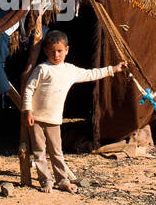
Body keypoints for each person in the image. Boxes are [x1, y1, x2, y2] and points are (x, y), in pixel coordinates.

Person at [22, 30, 126, 193]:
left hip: (54, 120)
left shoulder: (70, 71)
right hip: (36, 119)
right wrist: (27, 110)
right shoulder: (42, 69)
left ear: (67, 50)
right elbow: (28, 89)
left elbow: (92, 73)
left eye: (59, 51)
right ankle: (45, 181)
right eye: (52, 51)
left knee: (56, 152)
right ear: (45, 51)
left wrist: (113, 69)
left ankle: (62, 180)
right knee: (39, 152)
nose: (56, 55)